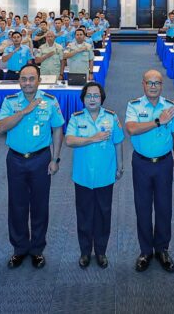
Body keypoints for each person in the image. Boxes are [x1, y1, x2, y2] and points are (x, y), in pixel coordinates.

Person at [0, 63, 64, 268]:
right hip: (16, 159)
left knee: (39, 205)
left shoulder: (50, 101)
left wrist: (55, 159)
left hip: (40, 159)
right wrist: (24, 111)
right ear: (19, 81)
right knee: (16, 205)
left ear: (39, 80)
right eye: (24, 79)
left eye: (32, 79)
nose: (27, 83)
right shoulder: (10, 102)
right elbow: (1, 127)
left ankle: (36, 249)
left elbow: (57, 129)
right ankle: (19, 248)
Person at [125, 69, 174, 273]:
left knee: (164, 207)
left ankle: (162, 249)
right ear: (143, 84)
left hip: (164, 163)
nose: (153, 86)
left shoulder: (171, 107)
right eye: (149, 82)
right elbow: (131, 129)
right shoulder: (134, 105)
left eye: (157, 83)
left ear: (161, 85)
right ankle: (145, 251)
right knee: (142, 207)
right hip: (141, 163)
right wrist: (158, 121)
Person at [65, 81, 124, 268]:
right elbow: (69, 140)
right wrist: (92, 138)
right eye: (88, 96)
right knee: (84, 215)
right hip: (83, 176)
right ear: (83, 99)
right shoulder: (76, 118)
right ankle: (84, 252)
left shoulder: (112, 118)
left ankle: (100, 251)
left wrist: (120, 165)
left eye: (96, 96)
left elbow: (118, 142)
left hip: (105, 176)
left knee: (103, 215)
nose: (92, 99)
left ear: (102, 98)